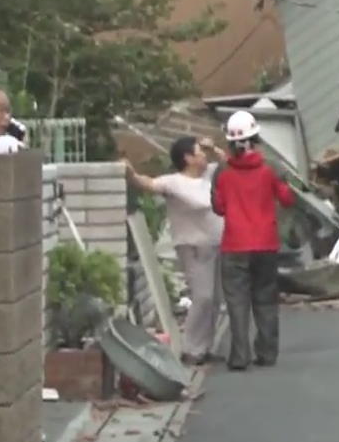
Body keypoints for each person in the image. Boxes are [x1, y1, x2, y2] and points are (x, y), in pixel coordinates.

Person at [124, 136, 226, 366]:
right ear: (188, 157)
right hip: (192, 247)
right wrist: (130, 173)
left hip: (216, 244)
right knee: (203, 296)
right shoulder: (174, 182)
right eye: (199, 152)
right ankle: (190, 348)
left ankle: (204, 347)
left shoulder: (209, 174)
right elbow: (146, 184)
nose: (203, 155)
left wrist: (213, 148)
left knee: (215, 299)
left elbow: (228, 162)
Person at [211, 110, 294, 371]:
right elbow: (288, 199)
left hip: (234, 245)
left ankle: (239, 357)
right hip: (266, 244)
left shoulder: (222, 170)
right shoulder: (272, 166)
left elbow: (219, 207)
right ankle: (267, 353)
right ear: (255, 136)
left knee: (237, 302)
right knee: (266, 299)